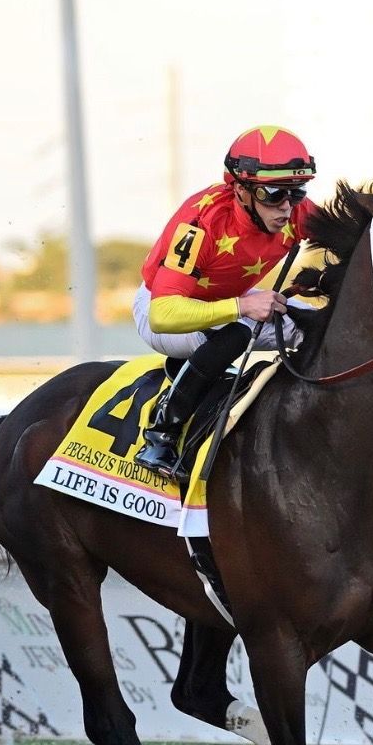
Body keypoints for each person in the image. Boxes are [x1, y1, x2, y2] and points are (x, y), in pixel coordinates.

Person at [132, 125, 317, 479]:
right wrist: (243, 306)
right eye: (273, 194)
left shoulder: (296, 210)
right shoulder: (200, 224)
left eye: (296, 192)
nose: (287, 207)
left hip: (228, 299)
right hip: (168, 306)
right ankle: (162, 432)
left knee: (319, 326)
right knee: (238, 332)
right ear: (240, 189)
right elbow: (163, 314)